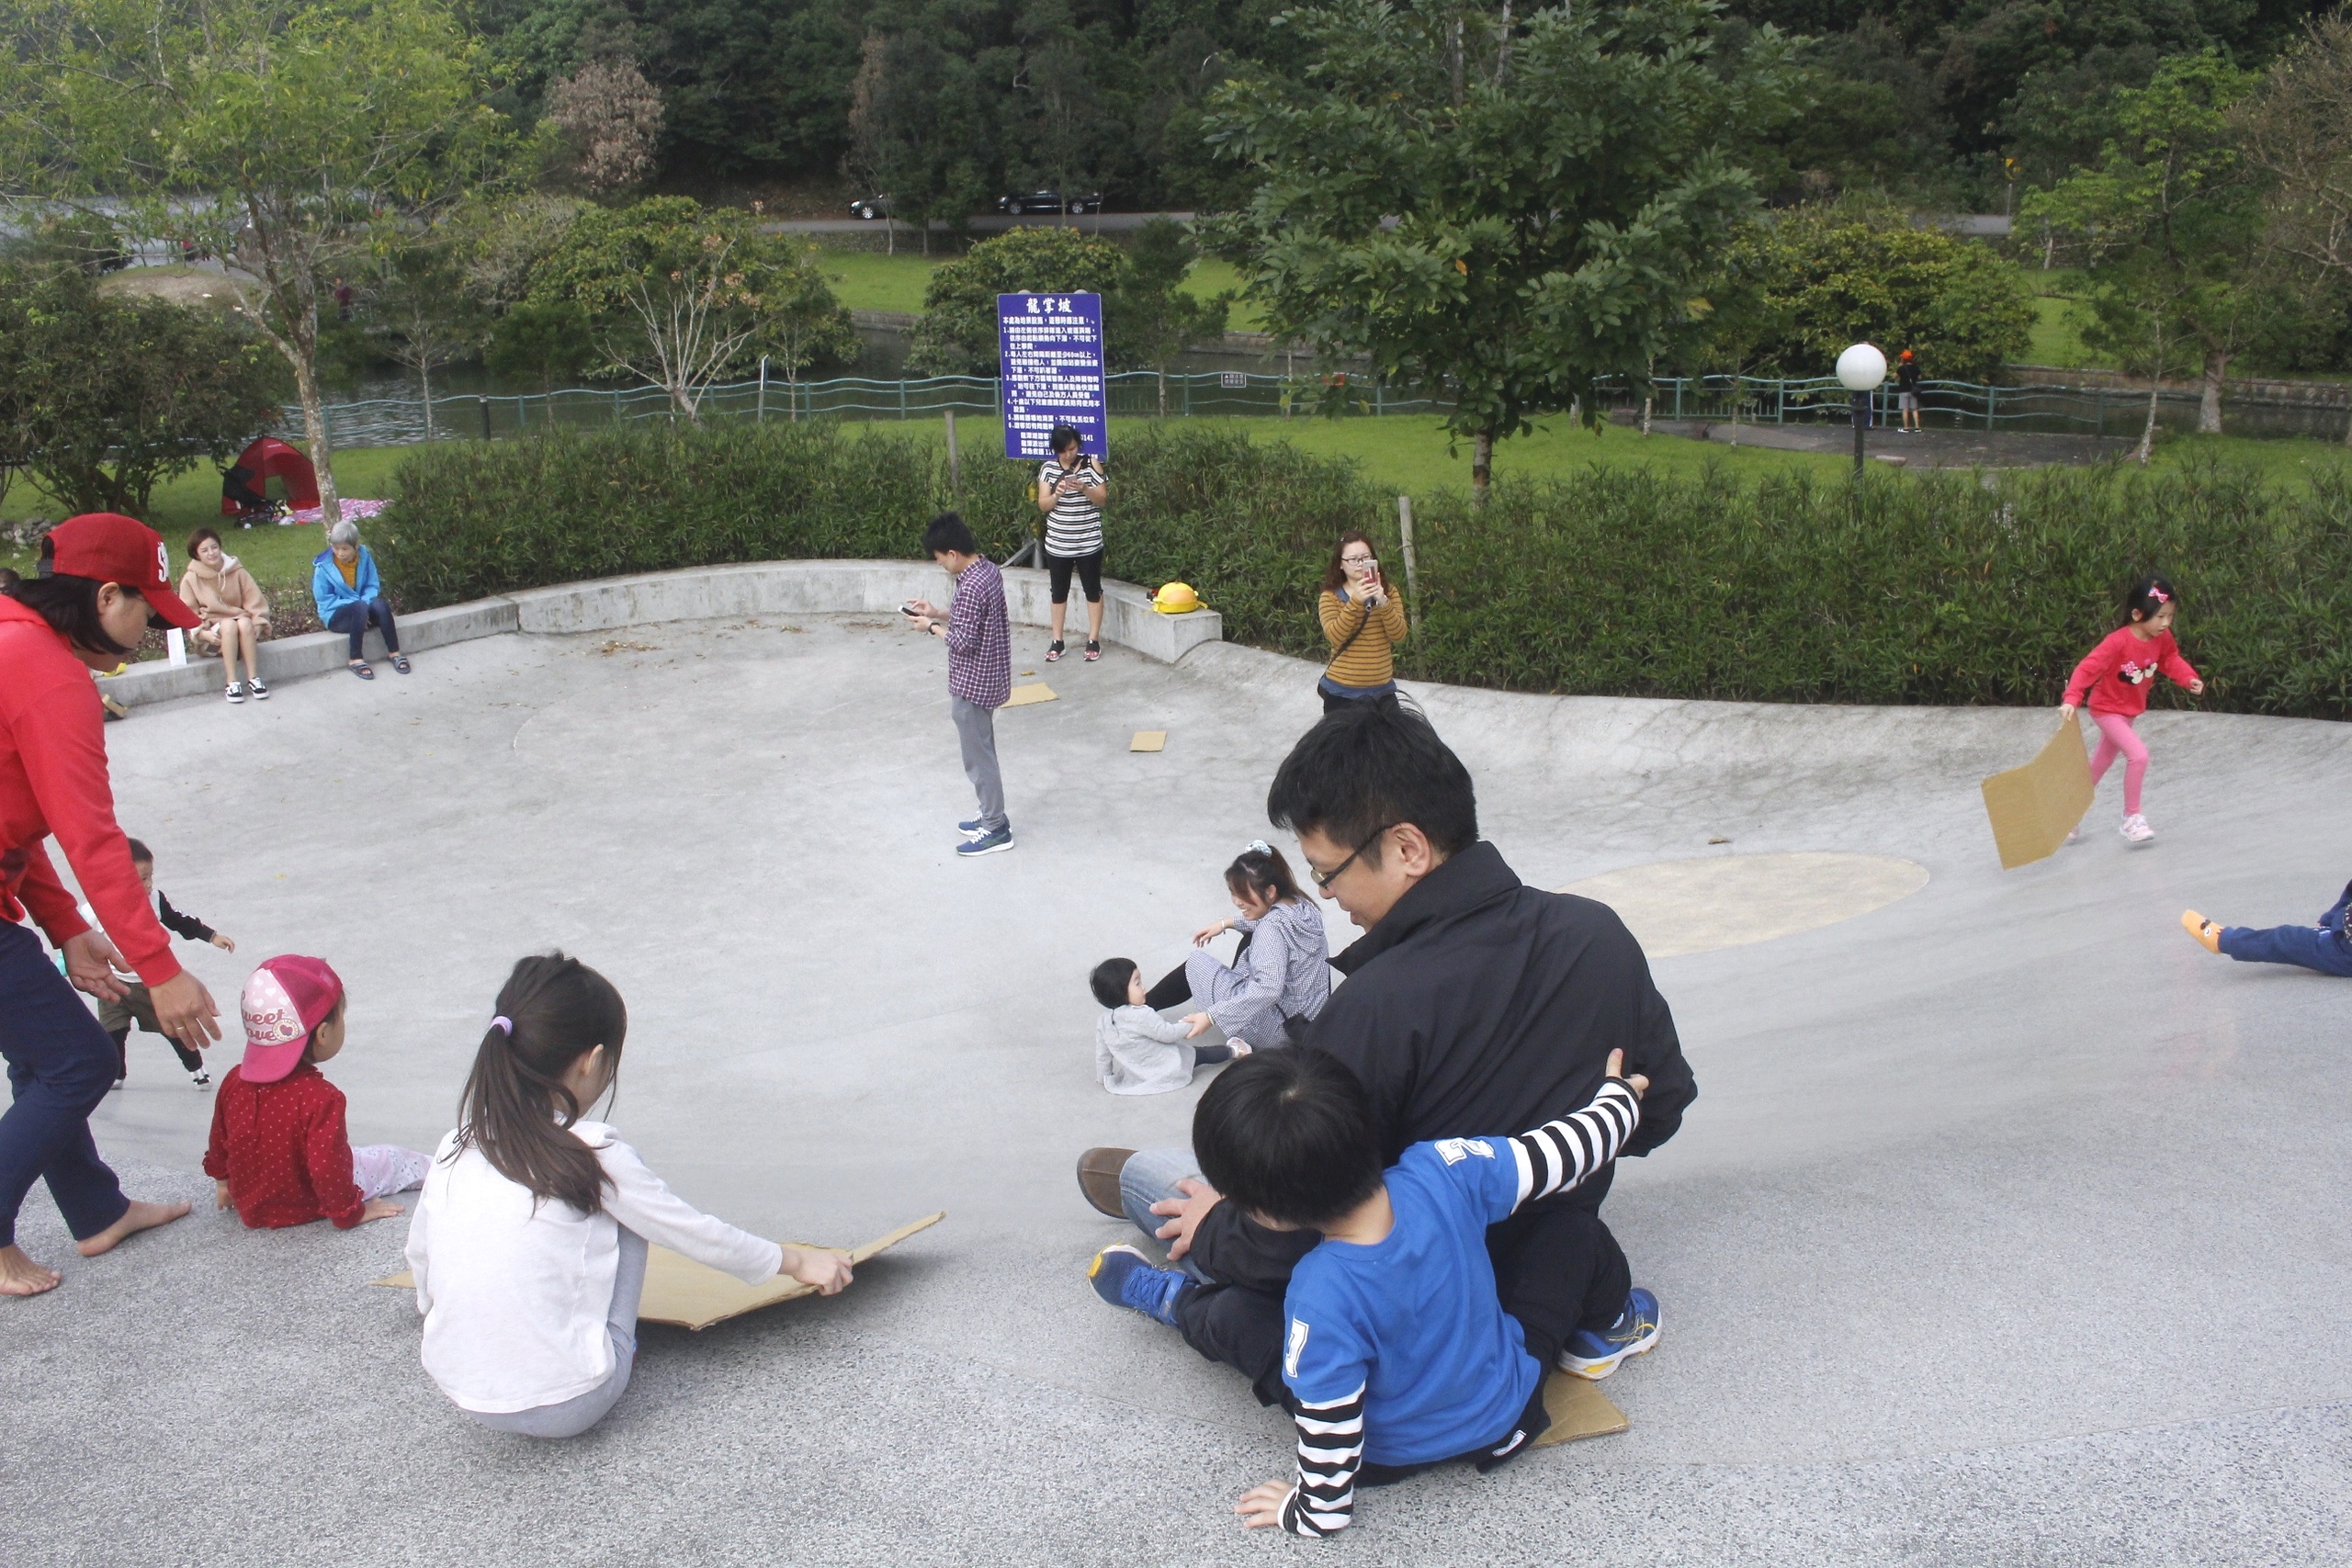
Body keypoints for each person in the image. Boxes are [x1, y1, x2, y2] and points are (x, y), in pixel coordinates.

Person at [1082, 701, 1696, 1411]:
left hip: (1400, 1304)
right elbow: (1661, 1112)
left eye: (1329, 871)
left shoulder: (1372, 1008)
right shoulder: (1600, 934)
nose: (1328, 895)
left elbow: (1303, 1228)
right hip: (1545, 1264)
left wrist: (1219, 1226)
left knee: (1171, 1180)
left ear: (1407, 847)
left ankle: (1156, 1223)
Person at [1088, 1047, 1645, 1537]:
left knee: (1235, 1315)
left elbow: (1330, 1417)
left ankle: (1176, 1302)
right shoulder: (1445, 1168)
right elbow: (1562, 1151)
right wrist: (1619, 1101)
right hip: (1508, 1409)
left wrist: (1310, 1512)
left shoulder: (1320, 1291)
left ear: (1264, 1216)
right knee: (1572, 1229)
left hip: (1387, 1453)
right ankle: (1605, 1330)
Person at [405, 953, 853, 1438]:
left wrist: (448, 1316)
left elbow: (421, 1254)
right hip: (572, 1403)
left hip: (459, 1388)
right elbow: (691, 1232)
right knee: (631, 1215)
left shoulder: (457, 1144)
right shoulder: (593, 1154)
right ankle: (613, 1349)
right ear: (592, 1061)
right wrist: (797, 1262)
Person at [1, 513, 221, 1297]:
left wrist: (66, 929)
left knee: (41, 1055)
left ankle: (96, 1210)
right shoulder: (49, 677)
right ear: (104, 598)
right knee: (79, 1059)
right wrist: (160, 971)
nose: (151, 628)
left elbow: (12, 816)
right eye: (148, 613)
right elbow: (93, 839)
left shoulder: (11, 636)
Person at [204, 955, 426, 1229]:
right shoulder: (321, 1098)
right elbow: (327, 1168)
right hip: (304, 1206)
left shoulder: (234, 1081)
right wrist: (350, 1213)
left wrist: (223, 1183)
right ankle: (440, 1169)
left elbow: (219, 1139)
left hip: (252, 1204)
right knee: (390, 1159)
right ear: (322, 1034)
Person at [1140, 840, 1330, 1051]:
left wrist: (1211, 1017)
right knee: (1250, 939)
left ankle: (1139, 1010)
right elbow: (1267, 923)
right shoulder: (1304, 906)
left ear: (1270, 892)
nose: (1237, 901)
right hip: (1309, 1019)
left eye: (1243, 894)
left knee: (1195, 963)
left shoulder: (1270, 929)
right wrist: (1226, 923)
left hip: (1276, 1030)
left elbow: (1268, 989)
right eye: (1233, 892)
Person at [2057, 575, 2204, 844]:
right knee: (2139, 755)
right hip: (2106, 710)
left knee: (2100, 764)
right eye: (2160, 616)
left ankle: (2066, 812)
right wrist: (2072, 698)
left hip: (2128, 712)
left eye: (2170, 616)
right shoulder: (2117, 642)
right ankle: (2131, 818)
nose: (2166, 623)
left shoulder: (2162, 638)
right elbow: (2088, 668)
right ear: (2137, 614)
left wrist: (2187, 677)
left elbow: (2170, 658)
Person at [904, 512, 1014, 858]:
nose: (941, 566)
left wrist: (929, 627)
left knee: (978, 757)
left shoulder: (970, 585)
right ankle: (990, 812)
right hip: (992, 677)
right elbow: (974, 618)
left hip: (972, 684)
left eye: (940, 560)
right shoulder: (988, 570)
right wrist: (937, 612)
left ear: (952, 553)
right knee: (984, 750)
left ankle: (996, 827)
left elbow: (963, 641)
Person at [104, 838, 235, 1090]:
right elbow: (80, 937)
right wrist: (62, 964)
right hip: (114, 984)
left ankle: (197, 1069)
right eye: (141, 879)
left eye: (150, 876)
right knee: (113, 1032)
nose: (149, 884)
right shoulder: (99, 906)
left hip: (150, 985)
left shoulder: (155, 901)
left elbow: (179, 920)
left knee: (173, 1029)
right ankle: (116, 1073)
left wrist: (211, 936)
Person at [1089, 957, 1247, 1096]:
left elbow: (1102, 1054)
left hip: (1138, 1072)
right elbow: (1167, 1034)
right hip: (1166, 1066)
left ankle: (1233, 1051)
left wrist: (1104, 1077)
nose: (1143, 987)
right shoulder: (1142, 1015)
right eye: (1137, 983)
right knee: (1200, 1054)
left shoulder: (1104, 1021)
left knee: (1198, 1054)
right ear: (1120, 992)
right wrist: (1189, 1024)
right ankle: (1234, 1051)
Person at [1035, 423, 1106, 664]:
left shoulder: (1091, 464)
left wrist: (1084, 487)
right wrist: (1057, 494)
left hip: (1088, 541)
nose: (1069, 454)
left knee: (1093, 590)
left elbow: (1102, 499)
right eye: (1064, 450)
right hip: (1058, 543)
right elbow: (1043, 504)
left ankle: (1093, 639)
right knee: (1058, 592)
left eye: (1073, 448)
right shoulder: (1048, 469)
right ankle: (1057, 640)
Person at [1317, 531, 1408, 713]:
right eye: (1353, 559)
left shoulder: (1389, 592)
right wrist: (1356, 602)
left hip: (1382, 693)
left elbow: (1399, 635)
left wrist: (1382, 601)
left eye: (1365, 557)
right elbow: (1336, 636)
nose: (1360, 564)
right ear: (1340, 565)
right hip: (1342, 692)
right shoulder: (1330, 597)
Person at [178, 526, 271, 703]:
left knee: (244, 623)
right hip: (213, 639)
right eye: (204, 550)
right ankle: (232, 683)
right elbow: (188, 614)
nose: (211, 553)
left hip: (243, 634)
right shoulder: (191, 579)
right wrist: (202, 634)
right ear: (197, 555)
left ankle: (254, 679)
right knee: (228, 625)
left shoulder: (237, 571)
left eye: (214, 547)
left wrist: (258, 624)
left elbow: (255, 601)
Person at [2183, 881, 2352, 977]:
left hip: (2344, 949)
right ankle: (2328, 927)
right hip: (2342, 928)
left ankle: (2223, 940)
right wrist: (2329, 919)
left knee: (2287, 939)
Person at [312, 520, 409, 680]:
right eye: (336, 548)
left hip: (362, 608)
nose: (340, 553)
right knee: (359, 608)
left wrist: (364, 603)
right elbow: (324, 600)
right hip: (336, 615)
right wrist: (360, 607)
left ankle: (394, 652)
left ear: (356, 546)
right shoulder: (322, 567)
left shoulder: (365, 556)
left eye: (345, 549)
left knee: (381, 605)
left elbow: (372, 585)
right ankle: (355, 659)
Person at [1895, 350, 1923, 433]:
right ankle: (1917, 427)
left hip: (1903, 390)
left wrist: (1900, 365)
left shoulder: (1901, 368)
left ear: (1903, 359)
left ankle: (1906, 428)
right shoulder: (1916, 367)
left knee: (1905, 409)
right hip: (1913, 391)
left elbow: (1894, 376)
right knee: (1914, 409)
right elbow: (1920, 377)